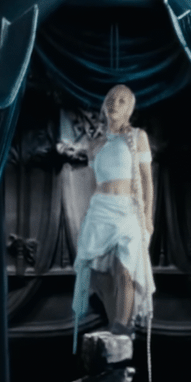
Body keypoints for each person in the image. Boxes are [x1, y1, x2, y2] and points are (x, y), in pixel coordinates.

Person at [71, 84, 155, 351]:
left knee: (125, 268)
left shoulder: (137, 137)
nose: (114, 104)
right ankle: (115, 322)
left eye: (121, 101)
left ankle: (123, 325)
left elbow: (146, 180)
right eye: (110, 99)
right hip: (100, 209)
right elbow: (92, 184)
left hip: (128, 209)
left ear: (129, 108)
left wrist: (148, 215)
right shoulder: (95, 144)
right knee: (97, 273)